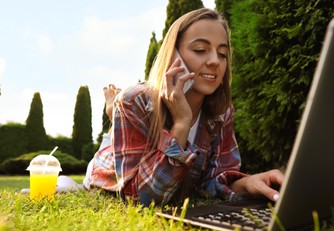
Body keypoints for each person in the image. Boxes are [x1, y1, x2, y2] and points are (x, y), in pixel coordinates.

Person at [84, 8, 284, 206]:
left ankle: (113, 117)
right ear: (173, 56)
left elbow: (212, 181)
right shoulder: (132, 100)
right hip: (107, 168)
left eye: (222, 53)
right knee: (107, 145)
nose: (215, 61)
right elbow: (141, 198)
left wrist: (246, 183)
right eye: (200, 50)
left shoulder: (222, 112)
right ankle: (112, 114)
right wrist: (181, 124)